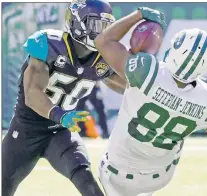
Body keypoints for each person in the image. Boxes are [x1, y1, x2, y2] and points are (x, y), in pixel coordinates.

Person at [94, 7, 207, 196]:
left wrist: (139, 14)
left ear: (174, 49)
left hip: (117, 174)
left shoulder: (147, 70)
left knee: (134, 91)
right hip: (159, 177)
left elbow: (103, 41)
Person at [2, 0, 126, 196]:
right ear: (78, 23)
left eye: (106, 26)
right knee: (3, 188)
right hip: (26, 131)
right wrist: (61, 115)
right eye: (96, 25)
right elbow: (32, 94)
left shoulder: (101, 58)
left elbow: (128, 86)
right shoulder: (49, 44)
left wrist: (149, 78)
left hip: (60, 133)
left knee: (87, 181)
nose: (102, 33)